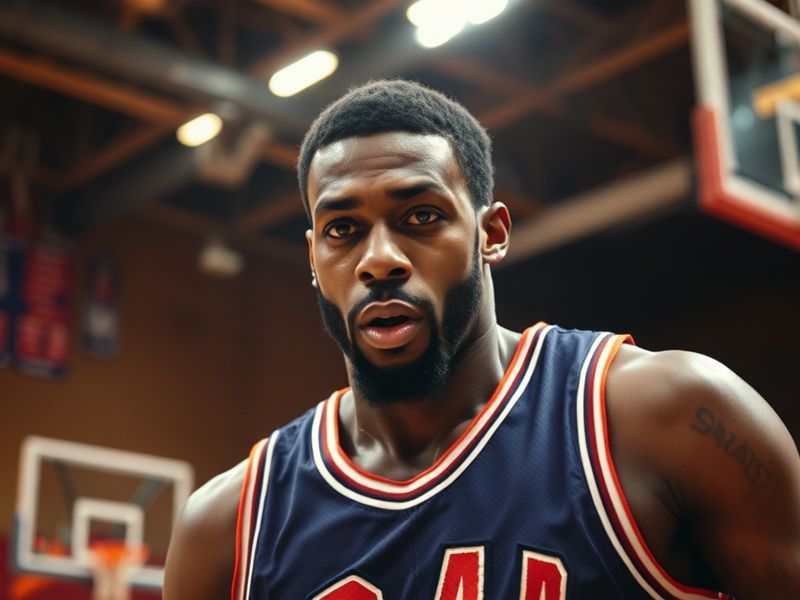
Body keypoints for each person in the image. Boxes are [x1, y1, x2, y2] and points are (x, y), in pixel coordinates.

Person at [163, 79, 800, 599]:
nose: (378, 260)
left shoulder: (668, 417)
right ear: (313, 257)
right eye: (343, 229)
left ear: (491, 233)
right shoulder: (229, 528)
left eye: (420, 216)